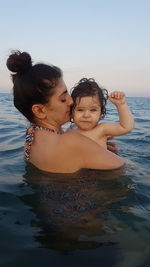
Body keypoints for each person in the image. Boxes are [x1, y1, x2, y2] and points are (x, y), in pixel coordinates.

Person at [6, 50, 125, 173]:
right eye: (63, 99)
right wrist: (95, 150)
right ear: (39, 110)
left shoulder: (31, 134)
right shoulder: (74, 143)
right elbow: (125, 168)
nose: (71, 101)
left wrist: (95, 148)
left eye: (68, 93)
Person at [70, 78, 134, 149]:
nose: (86, 115)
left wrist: (121, 105)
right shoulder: (72, 129)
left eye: (93, 110)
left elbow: (126, 127)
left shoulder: (102, 129)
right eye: (80, 110)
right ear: (72, 112)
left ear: (101, 113)